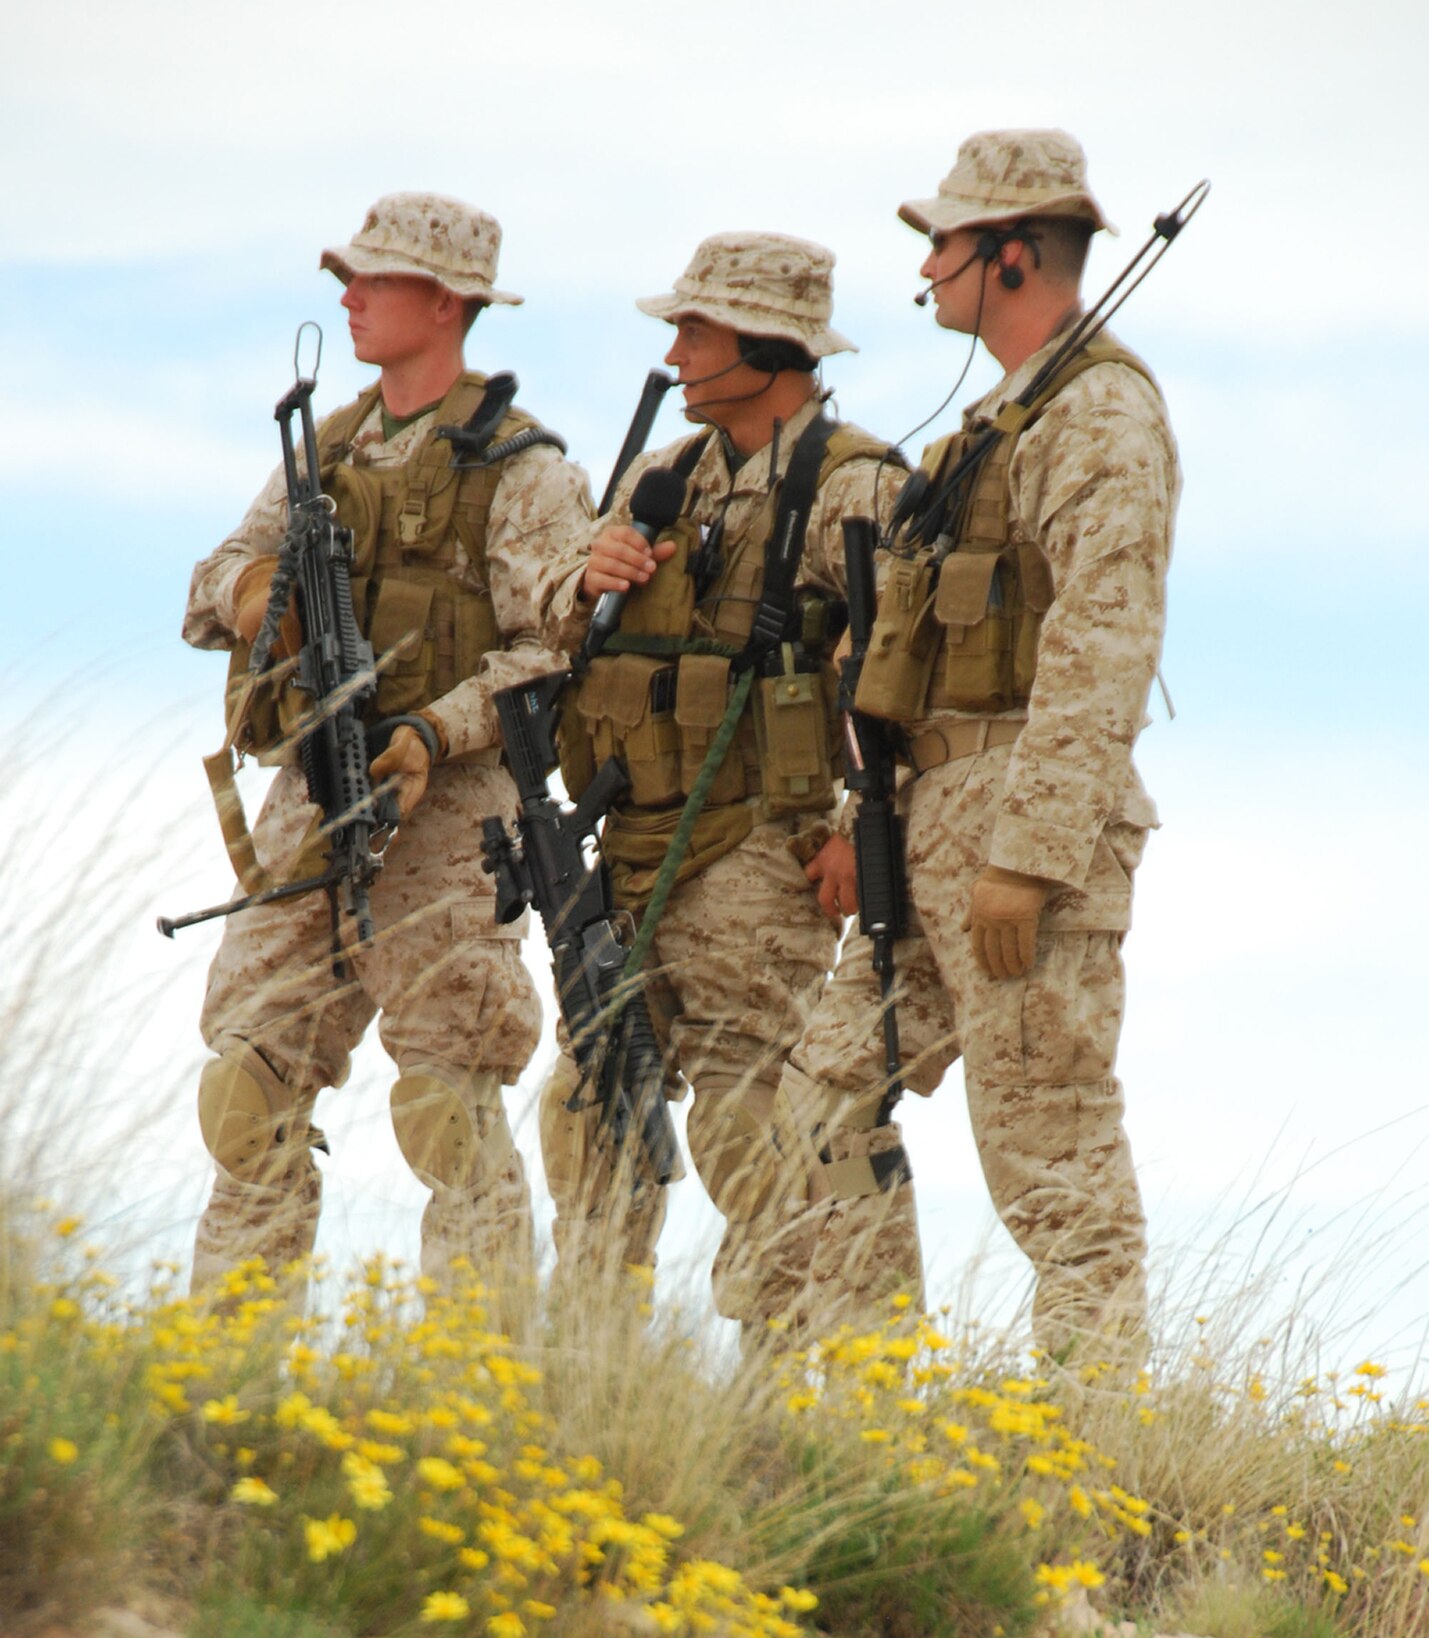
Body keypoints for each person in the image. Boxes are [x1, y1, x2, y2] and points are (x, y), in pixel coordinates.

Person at [775, 130, 1180, 1358]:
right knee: (823, 1105)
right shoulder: (982, 435)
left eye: (943, 243)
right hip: (922, 832)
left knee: (1049, 1159)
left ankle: (1095, 1450)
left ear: (1010, 256)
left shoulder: (1099, 411)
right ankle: (866, 1402)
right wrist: (864, 823)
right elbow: (916, 666)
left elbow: (1103, 641)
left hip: (1019, 833)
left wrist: (1033, 852)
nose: (927, 267)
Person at [182, 193, 590, 1291]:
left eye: (377, 279)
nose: (350, 297)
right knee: (245, 1091)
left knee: (446, 1107)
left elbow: (554, 652)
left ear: (447, 301)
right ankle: (225, 1371)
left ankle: (478, 1378)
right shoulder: (328, 447)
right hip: (313, 792)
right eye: (346, 279)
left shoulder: (520, 466)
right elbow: (207, 581)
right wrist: (262, 587)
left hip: (449, 814)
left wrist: (431, 730)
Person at [534, 232, 904, 1331]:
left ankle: (793, 1388)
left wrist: (859, 823)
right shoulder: (659, 482)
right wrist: (581, 577)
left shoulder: (857, 483)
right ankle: (590, 1378)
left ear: (766, 345)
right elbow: (564, 635)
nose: (678, 350)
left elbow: (903, 676)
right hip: (633, 847)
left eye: (697, 330)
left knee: (748, 1122)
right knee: (588, 1105)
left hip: (757, 846)